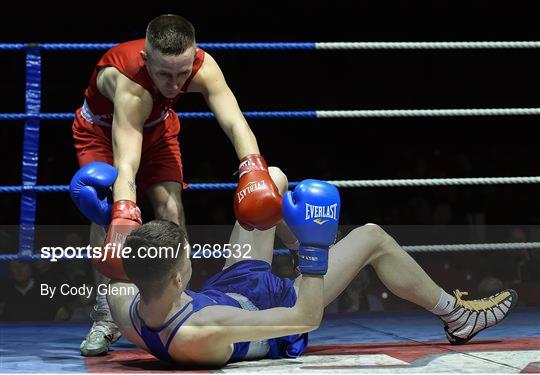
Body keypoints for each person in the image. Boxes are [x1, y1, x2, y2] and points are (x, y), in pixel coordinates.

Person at [100, 168, 517, 367]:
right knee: (371, 235)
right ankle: (456, 316)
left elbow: (115, 278)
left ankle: (308, 245)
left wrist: (110, 221)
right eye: (186, 259)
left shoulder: (128, 303)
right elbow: (306, 317)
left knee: (272, 183)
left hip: (228, 290)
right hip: (275, 309)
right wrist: (316, 252)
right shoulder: (199, 331)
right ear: (176, 277)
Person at [69, 14, 282, 355]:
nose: (175, 84)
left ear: (193, 56)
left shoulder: (202, 66)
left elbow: (234, 121)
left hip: (158, 127)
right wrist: (125, 214)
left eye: (183, 73)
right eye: (165, 74)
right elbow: (127, 162)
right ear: (145, 59)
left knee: (171, 207)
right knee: (108, 212)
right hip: (101, 134)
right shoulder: (131, 87)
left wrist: (254, 169)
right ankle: (106, 317)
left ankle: (178, 299)